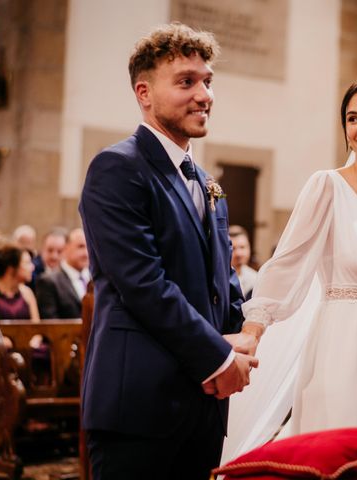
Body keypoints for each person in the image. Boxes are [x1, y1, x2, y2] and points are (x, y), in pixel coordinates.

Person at [224, 78, 357, 461]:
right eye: (352, 118)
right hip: (342, 348)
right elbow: (286, 265)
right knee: (337, 457)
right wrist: (252, 330)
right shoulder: (326, 186)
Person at [79, 23, 258, 479]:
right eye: (186, 82)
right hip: (141, 406)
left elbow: (225, 277)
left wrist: (239, 334)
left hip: (203, 406)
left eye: (207, 82)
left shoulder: (204, 181)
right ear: (144, 92)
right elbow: (144, 285)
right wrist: (219, 357)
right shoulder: (118, 168)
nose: (204, 95)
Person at [36, 228, 90, 319]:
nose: (86, 253)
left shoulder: (96, 278)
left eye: (89, 247)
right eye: (80, 247)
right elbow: (51, 325)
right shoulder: (48, 281)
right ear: (66, 248)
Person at [0, 242, 39, 320]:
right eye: (27, 263)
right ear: (11, 268)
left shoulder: (27, 293)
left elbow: (36, 329)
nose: (32, 267)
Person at [229, 225, 258, 299]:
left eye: (242, 247)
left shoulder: (256, 278)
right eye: (233, 248)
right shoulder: (217, 279)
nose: (239, 253)